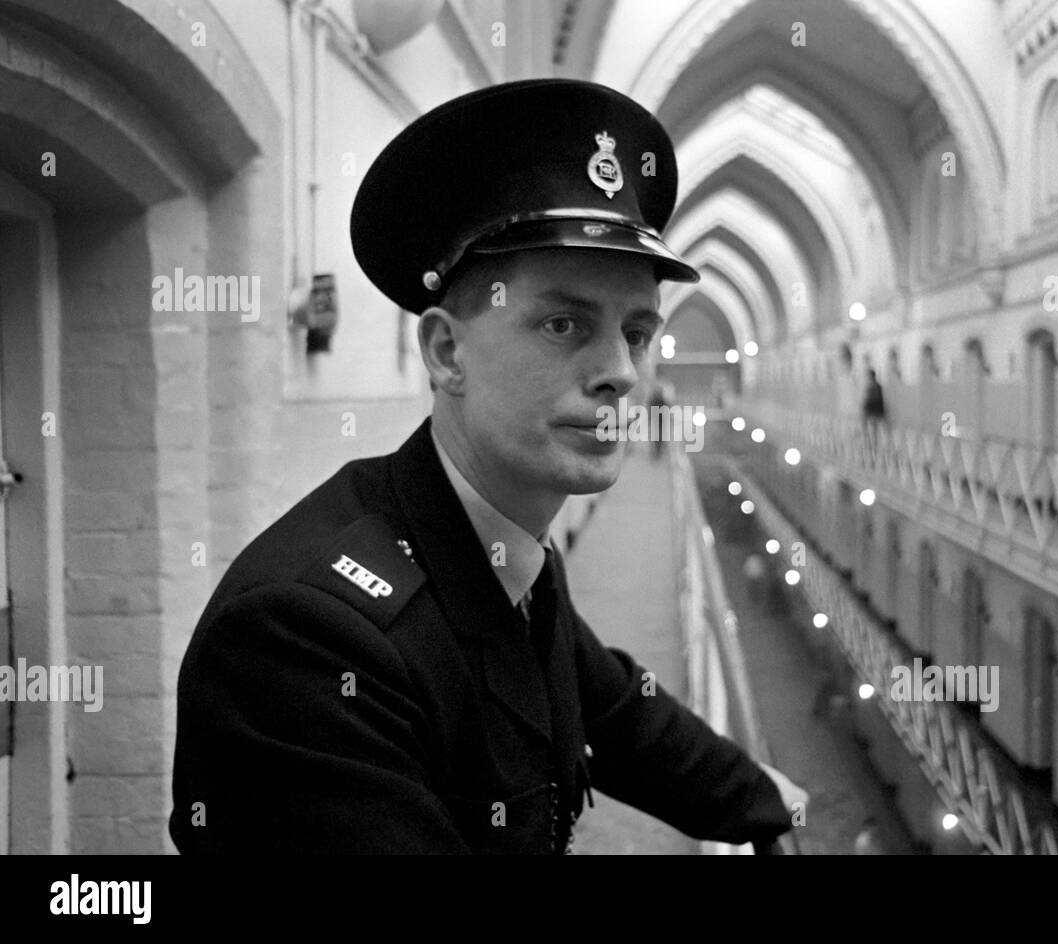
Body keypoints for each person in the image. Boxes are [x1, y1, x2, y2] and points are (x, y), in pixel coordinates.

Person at [169, 79, 806, 854]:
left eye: (637, 332)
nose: (621, 373)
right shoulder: (305, 641)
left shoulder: (504, 547)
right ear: (446, 351)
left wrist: (771, 804)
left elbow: (617, 712)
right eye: (564, 323)